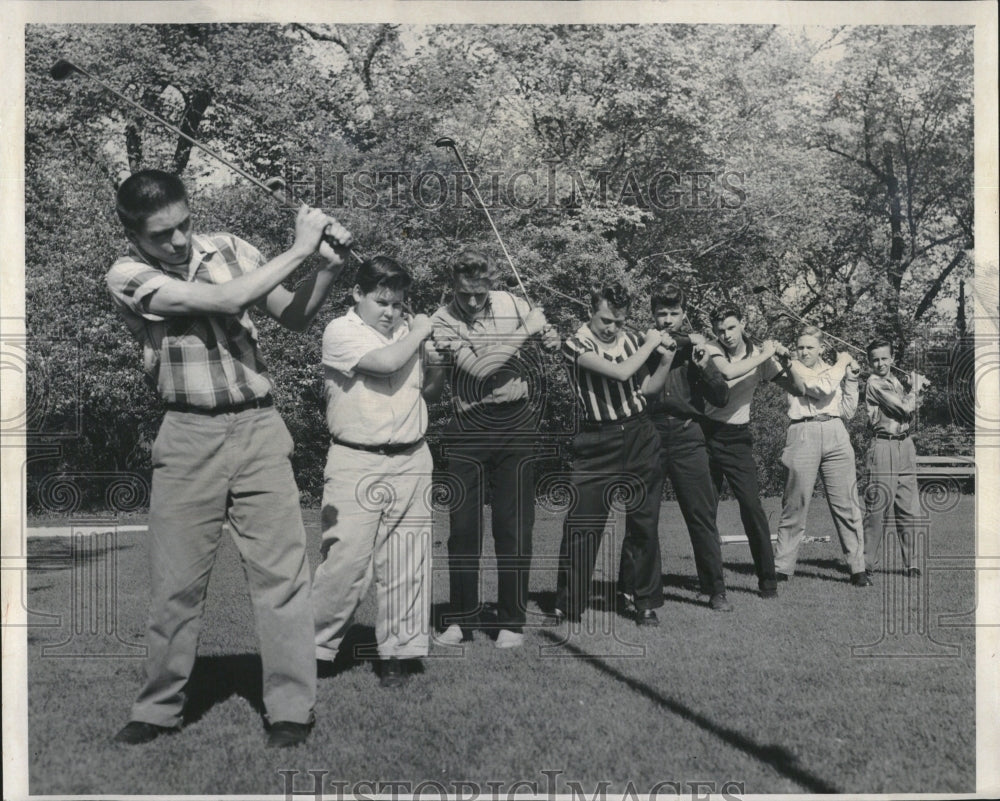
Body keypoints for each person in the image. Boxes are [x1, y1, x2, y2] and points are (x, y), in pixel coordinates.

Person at [106, 169, 351, 748]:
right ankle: (159, 708)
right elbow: (225, 299)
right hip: (187, 436)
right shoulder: (127, 276)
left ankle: (292, 708)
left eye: (185, 224)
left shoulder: (234, 248)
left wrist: (326, 266)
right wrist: (299, 244)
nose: (179, 241)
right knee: (176, 586)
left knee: (283, 579)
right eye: (162, 235)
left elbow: (292, 316)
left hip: (260, 429)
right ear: (134, 236)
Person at [313, 256, 442, 687]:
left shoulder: (409, 333)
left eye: (398, 304)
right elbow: (385, 364)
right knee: (345, 564)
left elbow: (431, 391)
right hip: (355, 458)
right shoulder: (340, 330)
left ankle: (398, 656)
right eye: (381, 302)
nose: (390, 312)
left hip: (412, 457)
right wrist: (422, 329)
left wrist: (437, 357)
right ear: (358, 295)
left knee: (408, 560)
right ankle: (312, 650)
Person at [428, 248, 558, 648]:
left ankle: (511, 621)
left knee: (513, 526)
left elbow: (545, 336)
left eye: (478, 293)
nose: (471, 301)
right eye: (464, 293)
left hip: (516, 421)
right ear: (452, 285)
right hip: (468, 424)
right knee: (463, 529)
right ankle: (461, 620)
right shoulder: (441, 320)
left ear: (492, 283)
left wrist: (548, 334)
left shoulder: (511, 302)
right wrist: (527, 330)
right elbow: (481, 369)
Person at [554, 284, 673, 626]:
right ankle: (568, 604)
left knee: (644, 524)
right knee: (582, 525)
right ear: (591, 312)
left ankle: (644, 601)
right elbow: (621, 372)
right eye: (606, 320)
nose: (612, 328)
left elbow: (647, 388)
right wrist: (652, 342)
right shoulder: (575, 344)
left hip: (639, 433)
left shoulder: (633, 341)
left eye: (619, 322)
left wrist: (666, 360)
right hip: (596, 440)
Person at [644, 283, 734, 611]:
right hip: (649, 438)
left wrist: (703, 365)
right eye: (661, 313)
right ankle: (643, 592)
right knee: (644, 518)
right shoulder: (643, 344)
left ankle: (716, 590)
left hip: (687, 437)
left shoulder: (698, 349)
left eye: (674, 313)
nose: (668, 320)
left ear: (684, 315)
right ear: (652, 314)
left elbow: (721, 396)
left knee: (702, 516)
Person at [702, 304, 802, 599]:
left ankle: (767, 582)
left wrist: (788, 360)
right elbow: (730, 373)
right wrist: (766, 353)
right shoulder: (712, 349)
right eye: (720, 330)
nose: (726, 334)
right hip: (705, 434)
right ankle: (711, 584)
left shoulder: (761, 356)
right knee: (706, 512)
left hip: (737, 439)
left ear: (742, 324)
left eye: (731, 328)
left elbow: (797, 388)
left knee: (752, 508)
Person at [773, 326, 869, 586]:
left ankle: (858, 568)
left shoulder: (834, 371)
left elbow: (848, 411)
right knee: (795, 503)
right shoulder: (793, 366)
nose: (803, 352)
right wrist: (844, 360)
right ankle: (782, 567)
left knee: (848, 504)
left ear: (821, 349)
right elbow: (823, 388)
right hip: (802, 431)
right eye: (800, 347)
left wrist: (851, 378)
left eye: (810, 348)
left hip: (836, 432)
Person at [862, 339, 931, 578]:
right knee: (878, 507)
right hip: (883, 446)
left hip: (905, 445)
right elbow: (903, 409)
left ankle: (912, 564)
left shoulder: (896, 382)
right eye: (875, 360)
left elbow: (911, 412)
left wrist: (917, 388)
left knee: (909, 508)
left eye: (884, 358)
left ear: (892, 359)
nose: (880, 363)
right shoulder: (873, 384)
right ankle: (865, 565)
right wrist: (916, 389)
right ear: (869, 362)